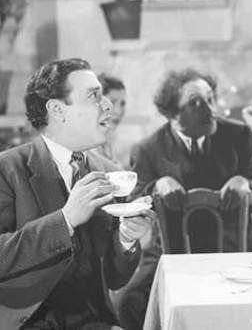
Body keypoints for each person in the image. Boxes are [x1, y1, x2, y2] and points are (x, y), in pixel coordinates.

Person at [0, 58, 154, 329]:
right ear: (57, 110)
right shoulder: (7, 168)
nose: (108, 105)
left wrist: (127, 239)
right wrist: (66, 219)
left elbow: (115, 279)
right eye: (94, 95)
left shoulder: (108, 172)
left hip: (94, 321)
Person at [114, 68, 252, 329]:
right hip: (170, 251)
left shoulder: (240, 136)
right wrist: (155, 187)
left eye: (210, 98)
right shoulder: (148, 149)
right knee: (129, 303)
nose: (210, 109)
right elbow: (135, 202)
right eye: (195, 103)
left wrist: (247, 185)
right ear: (172, 113)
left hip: (237, 246)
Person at [95, 73, 128, 167]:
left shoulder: (109, 143)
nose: (118, 111)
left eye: (122, 104)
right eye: (112, 102)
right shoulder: (86, 147)